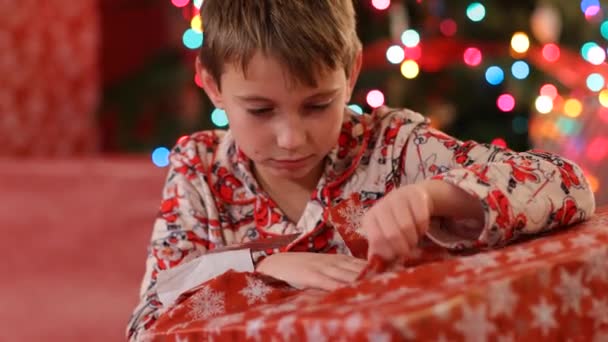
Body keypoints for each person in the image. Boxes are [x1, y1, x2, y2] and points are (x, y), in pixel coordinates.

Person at [126, 0, 596, 340]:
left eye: (317, 105)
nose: (292, 138)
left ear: (350, 74)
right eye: (261, 111)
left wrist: (434, 197)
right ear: (212, 87)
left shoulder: (394, 146)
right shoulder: (200, 170)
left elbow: (569, 186)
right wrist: (259, 265)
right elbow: (149, 320)